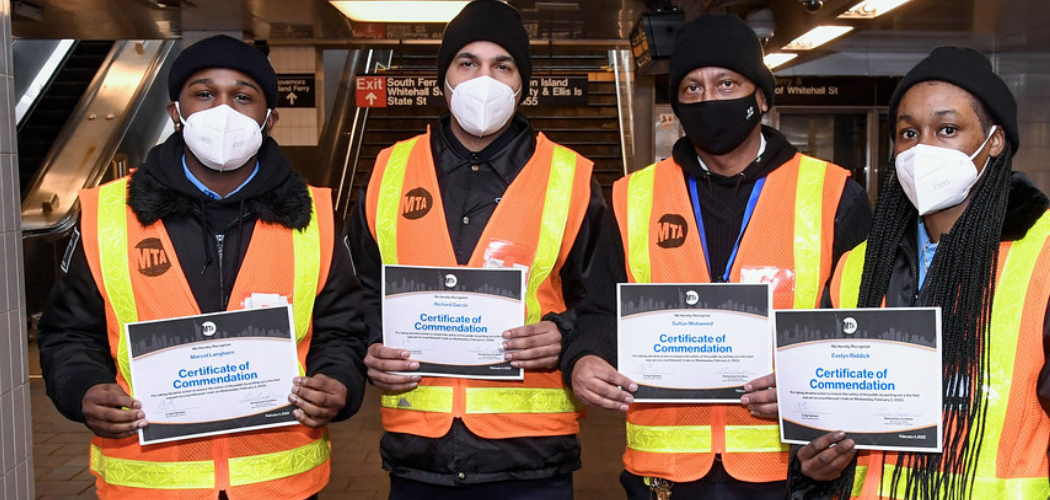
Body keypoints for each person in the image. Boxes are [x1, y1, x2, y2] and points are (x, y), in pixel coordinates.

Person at [37, 34, 369, 500]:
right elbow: (68, 333)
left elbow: (341, 331)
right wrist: (82, 389)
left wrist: (339, 383)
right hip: (150, 487)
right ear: (176, 112)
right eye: (205, 94)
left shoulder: (313, 220)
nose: (224, 111)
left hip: (278, 486)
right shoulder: (106, 216)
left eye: (243, 96)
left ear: (269, 118)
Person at [566, 14, 873, 500]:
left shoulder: (835, 195)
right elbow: (601, 309)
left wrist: (807, 383)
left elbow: (862, 327)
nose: (709, 99)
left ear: (761, 97)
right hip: (662, 476)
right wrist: (583, 358)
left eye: (726, 82)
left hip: (788, 474)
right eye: (692, 88)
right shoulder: (635, 198)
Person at [347, 1, 619, 498]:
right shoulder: (388, 170)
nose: (483, 78)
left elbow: (603, 300)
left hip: (531, 460)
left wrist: (563, 335)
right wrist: (372, 344)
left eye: (503, 65)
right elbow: (361, 288)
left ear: (522, 83)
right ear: (444, 76)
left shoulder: (571, 178)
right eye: (467, 62)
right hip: (417, 457)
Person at [792, 46, 1050, 500]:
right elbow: (829, 419)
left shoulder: (1043, 255)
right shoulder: (857, 267)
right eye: (908, 133)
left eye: (947, 129)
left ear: (995, 140)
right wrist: (817, 467)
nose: (922, 148)